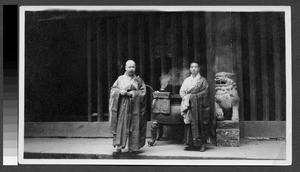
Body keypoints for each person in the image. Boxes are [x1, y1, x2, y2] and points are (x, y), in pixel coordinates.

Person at [109, 60, 147, 157]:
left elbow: (143, 92)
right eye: (129, 67)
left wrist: (133, 93)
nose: (131, 69)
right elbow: (113, 89)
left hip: (134, 106)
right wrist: (119, 92)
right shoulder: (120, 79)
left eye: (133, 67)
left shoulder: (139, 80)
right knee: (121, 125)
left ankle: (132, 147)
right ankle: (118, 147)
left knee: (133, 126)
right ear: (125, 67)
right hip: (122, 105)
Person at [179, 62, 210, 152]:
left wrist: (194, 97)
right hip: (189, 105)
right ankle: (190, 144)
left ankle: (201, 145)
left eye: (195, 67)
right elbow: (182, 92)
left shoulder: (203, 80)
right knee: (189, 124)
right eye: (192, 67)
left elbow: (205, 92)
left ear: (198, 68)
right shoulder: (187, 80)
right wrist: (187, 98)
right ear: (190, 69)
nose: (193, 69)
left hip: (199, 107)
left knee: (200, 124)